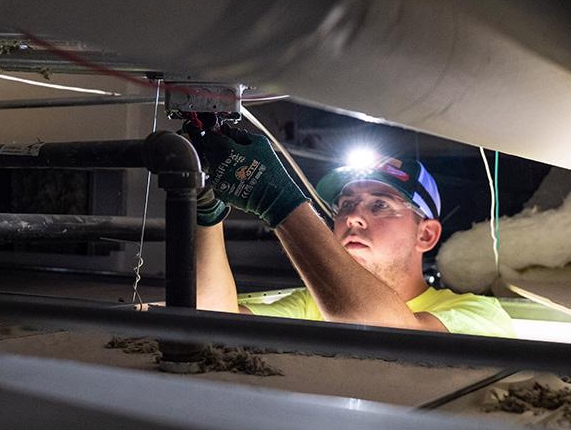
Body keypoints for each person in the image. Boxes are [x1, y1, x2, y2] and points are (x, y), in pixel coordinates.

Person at [191, 126, 515, 337]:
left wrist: (279, 201)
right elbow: (212, 321)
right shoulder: (313, 303)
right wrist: (208, 211)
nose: (353, 218)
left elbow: (387, 340)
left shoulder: (478, 315)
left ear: (426, 235)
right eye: (345, 205)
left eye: (380, 206)